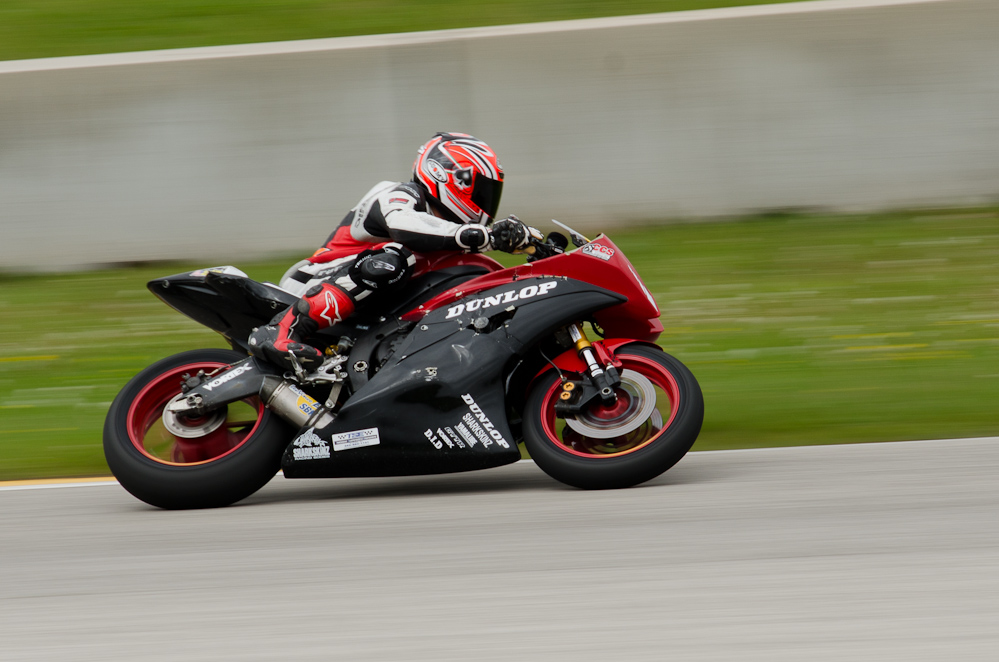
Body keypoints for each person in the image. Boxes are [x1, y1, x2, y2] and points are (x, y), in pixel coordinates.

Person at [248, 132, 532, 370]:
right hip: (314, 280)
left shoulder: (448, 235)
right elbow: (405, 226)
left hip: (367, 303)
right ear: (446, 175)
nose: (486, 203)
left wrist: (529, 246)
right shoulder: (399, 193)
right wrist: (482, 236)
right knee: (394, 258)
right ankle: (281, 330)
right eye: (481, 191)